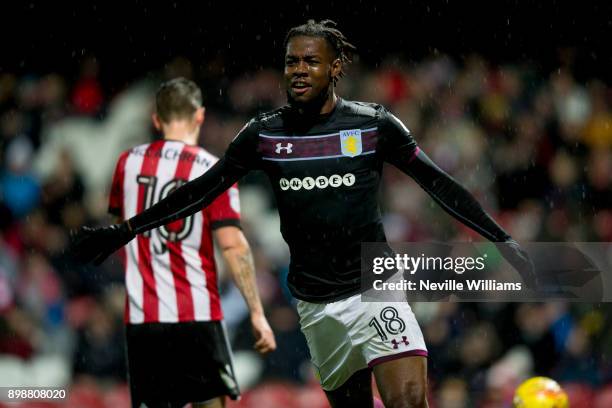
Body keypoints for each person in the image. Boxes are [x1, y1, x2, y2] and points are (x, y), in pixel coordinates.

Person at [72, 20, 535, 408]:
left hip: (374, 288)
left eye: (310, 61)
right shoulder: (264, 135)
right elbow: (201, 191)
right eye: (291, 61)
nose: (298, 70)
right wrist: (126, 230)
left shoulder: (373, 125)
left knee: (409, 401)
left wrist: (501, 239)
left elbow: (439, 184)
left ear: (335, 68)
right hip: (316, 305)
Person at [96, 77, 276, 408]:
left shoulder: (127, 164)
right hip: (196, 314)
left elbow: (119, 232)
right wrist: (256, 312)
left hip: (145, 319)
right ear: (199, 116)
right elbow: (233, 245)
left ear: (155, 119)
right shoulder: (212, 168)